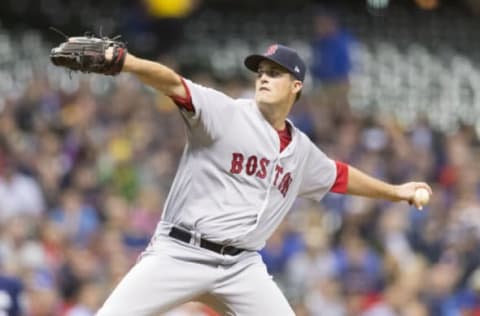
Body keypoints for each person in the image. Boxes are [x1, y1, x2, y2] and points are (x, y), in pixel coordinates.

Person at [67, 43, 431, 315]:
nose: (263, 78)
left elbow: (340, 176)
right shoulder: (225, 112)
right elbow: (174, 83)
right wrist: (127, 63)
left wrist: (396, 192)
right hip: (181, 251)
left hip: (241, 267)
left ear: (296, 86)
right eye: (260, 72)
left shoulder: (301, 151)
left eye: (274, 73)